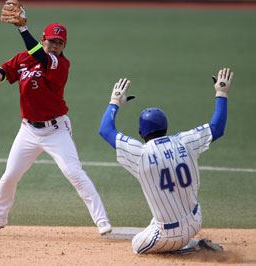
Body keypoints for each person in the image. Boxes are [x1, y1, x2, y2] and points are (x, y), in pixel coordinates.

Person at [0, 8, 111, 236]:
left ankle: (102, 221)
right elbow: (7, 68)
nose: (55, 45)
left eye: (59, 43)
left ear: (63, 47)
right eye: (51, 40)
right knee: (10, 175)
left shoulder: (60, 64)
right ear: (42, 39)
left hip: (56, 130)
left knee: (74, 172)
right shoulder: (23, 59)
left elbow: (40, 56)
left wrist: (22, 28)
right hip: (28, 131)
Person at [99, 68, 233, 254]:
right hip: (196, 220)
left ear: (140, 133)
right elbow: (217, 128)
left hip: (169, 235)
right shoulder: (185, 141)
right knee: (158, 216)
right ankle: (189, 242)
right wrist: (221, 93)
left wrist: (115, 102)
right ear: (166, 127)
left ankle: (194, 249)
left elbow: (105, 130)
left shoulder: (140, 153)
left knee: (138, 245)